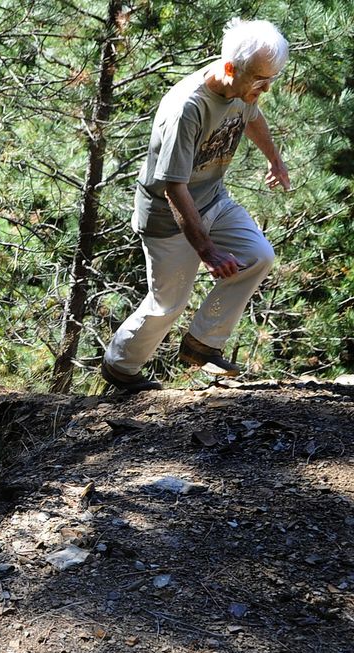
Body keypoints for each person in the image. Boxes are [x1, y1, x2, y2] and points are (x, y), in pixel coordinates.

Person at [101, 18, 291, 392]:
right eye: (260, 80)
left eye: (272, 80)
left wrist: (275, 159)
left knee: (259, 256)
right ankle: (120, 367)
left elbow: (252, 117)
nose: (266, 89)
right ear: (231, 68)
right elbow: (173, 186)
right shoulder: (187, 107)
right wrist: (207, 250)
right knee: (167, 303)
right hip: (168, 216)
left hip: (213, 199)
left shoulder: (241, 89)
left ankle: (202, 343)